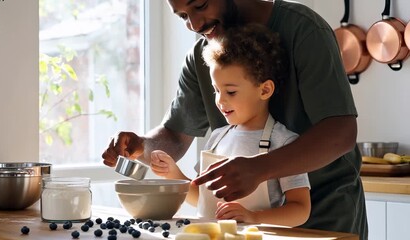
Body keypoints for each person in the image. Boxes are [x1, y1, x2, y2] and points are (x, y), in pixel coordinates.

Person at [102, 0, 368, 239]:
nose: (195, 24)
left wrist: (259, 168)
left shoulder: (304, 30)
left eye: (201, 5)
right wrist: (142, 146)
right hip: (241, 232)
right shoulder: (202, 57)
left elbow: (341, 132)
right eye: (183, 16)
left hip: (325, 216)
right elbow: (176, 134)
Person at [150, 23, 311, 227]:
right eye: (216, 90)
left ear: (265, 90)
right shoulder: (218, 137)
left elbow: (300, 209)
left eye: (231, 92)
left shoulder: (284, 142)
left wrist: (254, 218)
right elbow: (201, 199)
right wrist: (172, 173)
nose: (220, 100)